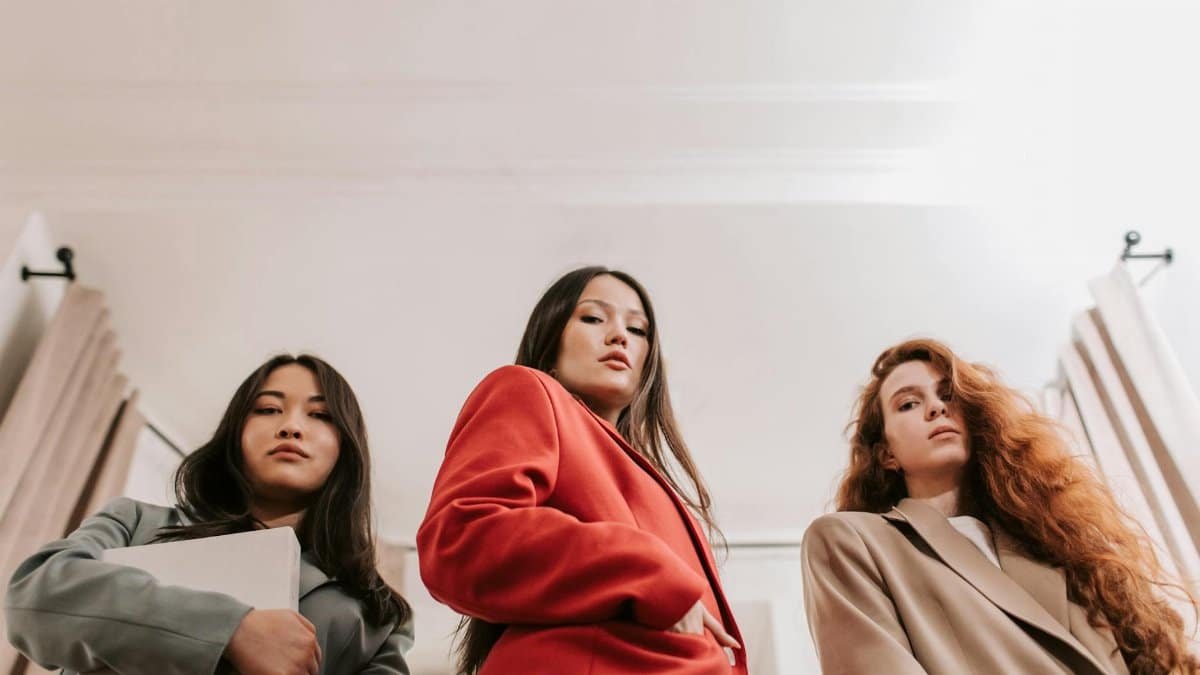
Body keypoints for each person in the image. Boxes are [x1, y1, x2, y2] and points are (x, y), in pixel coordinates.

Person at [418, 266, 746, 675]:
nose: (619, 336)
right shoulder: (525, 389)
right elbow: (461, 538)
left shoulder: (655, 485)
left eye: (638, 329)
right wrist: (645, 571)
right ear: (550, 337)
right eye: (593, 318)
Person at [802, 338, 1198, 675]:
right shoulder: (851, 540)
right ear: (886, 453)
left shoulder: (1055, 546)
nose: (937, 409)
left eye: (948, 395)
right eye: (908, 404)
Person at [6, 354, 413, 675]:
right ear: (234, 433)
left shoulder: (377, 614)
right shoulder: (135, 522)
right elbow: (34, 599)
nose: (291, 426)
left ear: (346, 446)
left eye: (320, 415)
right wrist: (230, 630)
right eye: (268, 409)